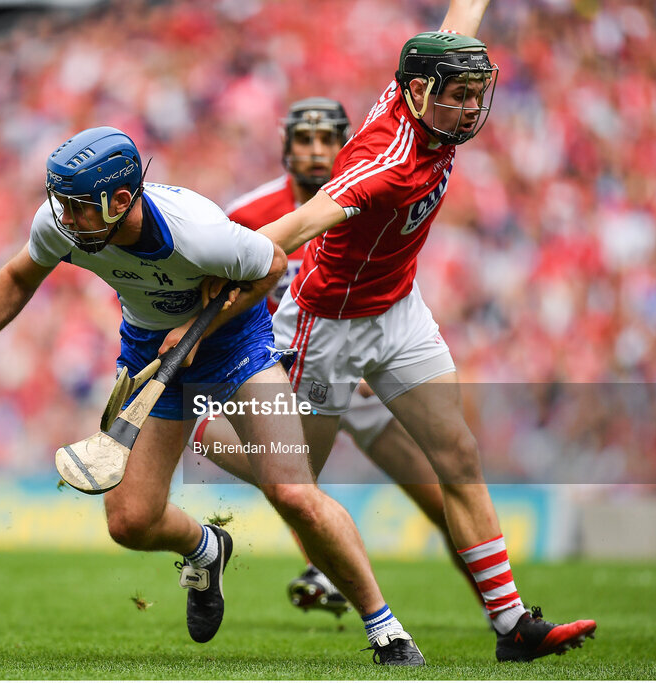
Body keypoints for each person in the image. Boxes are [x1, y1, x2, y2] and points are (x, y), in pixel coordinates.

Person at [0, 126, 425, 665]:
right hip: (150, 353)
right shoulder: (61, 224)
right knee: (130, 522)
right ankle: (207, 548)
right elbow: (17, 277)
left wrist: (198, 328)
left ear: (121, 200)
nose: (65, 218)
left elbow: (269, 267)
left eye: (78, 207)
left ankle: (386, 629)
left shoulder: (199, 233)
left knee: (292, 492)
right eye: (61, 204)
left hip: (237, 347)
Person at [250, 3, 598, 663]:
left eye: (475, 94)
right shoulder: (384, 163)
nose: (470, 109)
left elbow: (459, 17)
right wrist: (227, 267)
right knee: (296, 484)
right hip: (326, 326)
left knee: (459, 454)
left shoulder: (424, 89)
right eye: (457, 96)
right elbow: (297, 226)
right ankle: (215, 464)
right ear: (417, 92)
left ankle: (512, 625)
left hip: (399, 310)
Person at [192, 96, 484, 618]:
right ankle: (325, 571)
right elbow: (216, 296)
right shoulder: (247, 215)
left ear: (346, 144)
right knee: (287, 478)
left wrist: (377, 355)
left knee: (439, 500)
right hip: (291, 366)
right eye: (304, 140)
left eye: (327, 140)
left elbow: (393, 278)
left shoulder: (374, 187)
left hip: (364, 370)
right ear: (286, 147)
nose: (316, 151)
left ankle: (500, 612)